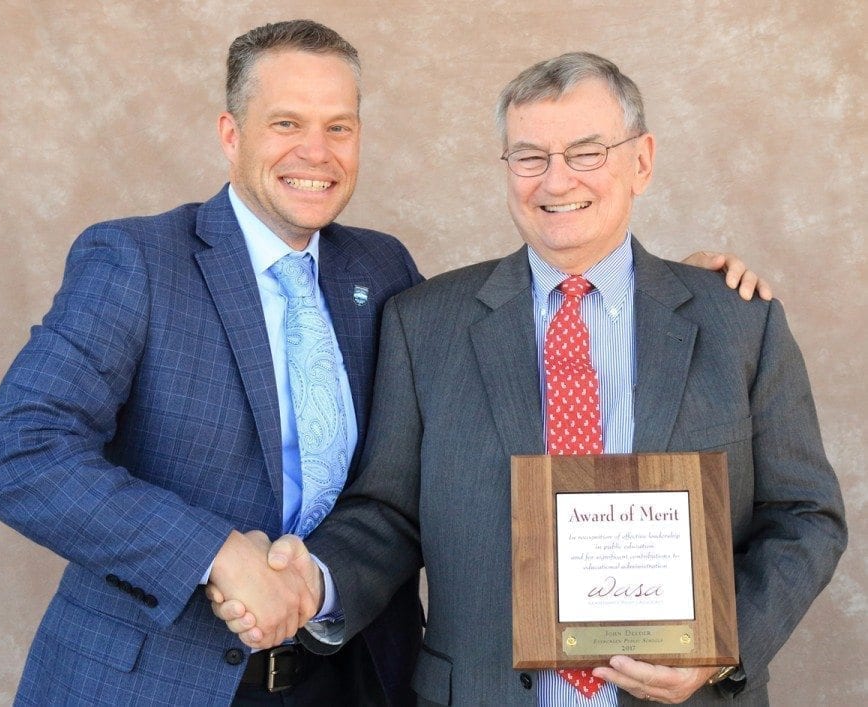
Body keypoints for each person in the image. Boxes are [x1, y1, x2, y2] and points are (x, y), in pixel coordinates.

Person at [0, 19, 767, 705]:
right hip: (157, 679)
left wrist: (666, 289)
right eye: (286, 123)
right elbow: (17, 452)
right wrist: (215, 554)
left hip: (349, 674)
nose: (315, 153)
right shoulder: (138, 261)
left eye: (339, 127)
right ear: (231, 134)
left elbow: (435, 433)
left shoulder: (380, 271)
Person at [210, 53, 847, 705]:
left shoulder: (740, 321)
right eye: (530, 156)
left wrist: (723, 648)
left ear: (642, 161)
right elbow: (389, 514)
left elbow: (805, 516)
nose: (556, 179)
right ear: (507, 169)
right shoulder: (425, 324)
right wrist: (312, 579)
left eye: (587, 151)